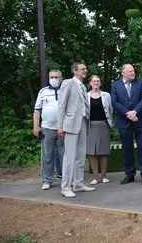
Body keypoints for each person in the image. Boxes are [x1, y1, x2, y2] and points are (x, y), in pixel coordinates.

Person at [58, 62, 95, 198]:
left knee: (80, 156)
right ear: (75, 71)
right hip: (71, 124)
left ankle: (78, 184)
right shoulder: (68, 83)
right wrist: (60, 126)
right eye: (83, 69)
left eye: (85, 68)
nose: (85, 71)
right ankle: (65, 187)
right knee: (69, 157)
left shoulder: (83, 86)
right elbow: (61, 105)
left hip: (83, 123)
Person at [111, 64, 142, 185]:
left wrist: (135, 112)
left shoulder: (140, 83)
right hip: (124, 121)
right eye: (130, 71)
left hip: (140, 119)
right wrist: (127, 113)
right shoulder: (115, 85)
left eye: (133, 70)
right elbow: (114, 102)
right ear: (123, 73)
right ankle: (129, 174)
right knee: (127, 149)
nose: (133, 73)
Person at [33, 70, 65, 190]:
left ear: (61, 78)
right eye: (51, 77)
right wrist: (36, 126)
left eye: (56, 77)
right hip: (47, 128)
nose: (53, 79)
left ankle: (66, 180)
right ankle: (47, 180)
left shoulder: (65, 90)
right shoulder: (43, 91)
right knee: (47, 156)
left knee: (64, 156)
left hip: (63, 128)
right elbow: (37, 110)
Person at [86, 75, 113, 185]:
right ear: (90, 83)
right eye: (93, 81)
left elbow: (110, 109)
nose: (96, 83)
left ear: (100, 83)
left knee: (103, 151)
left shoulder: (106, 95)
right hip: (90, 125)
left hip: (104, 125)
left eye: (98, 81)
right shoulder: (85, 96)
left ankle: (104, 176)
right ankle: (95, 177)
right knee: (92, 152)